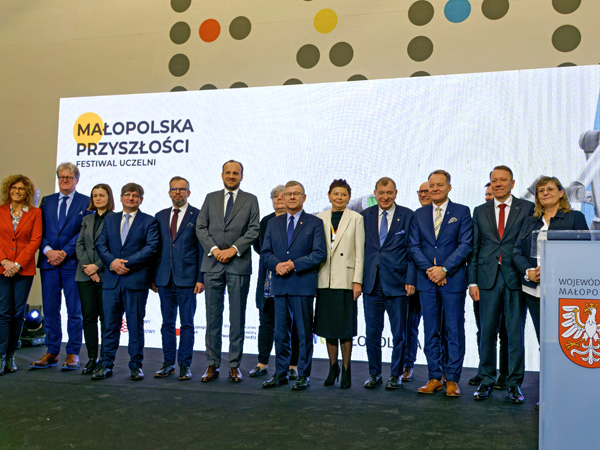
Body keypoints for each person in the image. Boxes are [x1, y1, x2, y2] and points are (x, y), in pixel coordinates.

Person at [513, 176, 588, 406]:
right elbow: (517, 251)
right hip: (534, 292)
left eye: (550, 189)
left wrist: (554, 269)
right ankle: (548, 397)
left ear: (561, 192)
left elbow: (584, 251)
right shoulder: (530, 221)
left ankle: (568, 396)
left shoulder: (575, 218)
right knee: (544, 344)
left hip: (563, 293)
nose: (545, 193)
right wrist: (528, 271)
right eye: (540, 191)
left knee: (564, 344)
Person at [468, 167, 534, 403]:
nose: (498, 184)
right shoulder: (479, 211)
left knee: (515, 334)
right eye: (494, 180)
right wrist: (472, 281)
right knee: (487, 333)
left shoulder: (526, 208)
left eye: (502, 180)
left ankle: (513, 384)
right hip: (486, 280)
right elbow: (475, 248)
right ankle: (486, 381)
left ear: (512, 183)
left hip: (515, 278)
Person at [409, 170, 472, 397]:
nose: (435, 189)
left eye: (439, 185)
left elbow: (465, 244)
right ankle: (434, 376)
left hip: (452, 280)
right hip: (427, 281)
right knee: (431, 330)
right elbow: (413, 246)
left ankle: (452, 379)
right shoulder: (419, 214)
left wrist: (444, 269)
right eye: (431, 185)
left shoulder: (462, 212)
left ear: (449, 187)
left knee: (453, 330)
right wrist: (431, 271)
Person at [196, 160, 260, 383]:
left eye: (236, 173)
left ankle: (234, 366)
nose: (231, 176)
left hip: (238, 264)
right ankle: (212, 364)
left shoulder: (251, 200)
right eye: (228, 173)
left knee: (237, 317)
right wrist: (214, 250)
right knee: (212, 317)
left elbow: (254, 230)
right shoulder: (210, 197)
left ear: (242, 176)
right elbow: (200, 227)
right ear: (222, 175)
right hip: (213, 263)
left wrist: (233, 250)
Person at [261, 181, 326, 390]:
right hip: (280, 285)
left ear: (304, 197)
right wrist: (276, 265)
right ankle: (280, 373)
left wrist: (293, 265)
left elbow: (319, 253)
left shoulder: (315, 223)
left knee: (304, 333)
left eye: (296, 194)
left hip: (302, 285)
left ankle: (303, 375)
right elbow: (265, 254)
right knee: (280, 334)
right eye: (288, 194)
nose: (291, 197)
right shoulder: (273, 223)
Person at [92, 183, 159, 381]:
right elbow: (100, 244)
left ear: (141, 200)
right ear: (121, 198)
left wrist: (126, 263)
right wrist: (112, 262)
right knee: (110, 326)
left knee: (135, 326)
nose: (130, 198)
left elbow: (151, 248)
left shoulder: (149, 221)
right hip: (112, 281)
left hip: (135, 281)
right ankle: (105, 365)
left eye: (135, 196)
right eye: (127, 195)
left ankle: (136, 366)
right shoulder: (110, 219)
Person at [32, 163, 90, 371]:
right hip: (49, 263)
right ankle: (52, 351)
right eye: (61, 177)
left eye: (69, 177)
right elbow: (38, 230)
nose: (64, 180)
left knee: (75, 310)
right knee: (50, 309)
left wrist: (64, 252)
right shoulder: (46, 201)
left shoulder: (86, 201)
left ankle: (73, 353)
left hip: (72, 263)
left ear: (77, 179)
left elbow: (84, 232)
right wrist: (48, 250)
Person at [362, 177, 415, 390]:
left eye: (389, 193)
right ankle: (374, 374)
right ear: (375, 193)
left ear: (396, 193)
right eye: (381, 193)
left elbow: (412, 251)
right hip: (371, 285)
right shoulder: (364, 216)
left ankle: (396, 375)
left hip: (398, 284)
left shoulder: (408, 215)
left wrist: (411, 280)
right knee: (372, 333)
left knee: (399, 334)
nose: (385, 197)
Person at [152, 177, 204, 381]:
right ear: (169, 192)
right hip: (164, 278)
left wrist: (201, 278)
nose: (178, 193)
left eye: (182, 190)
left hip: (188, 279)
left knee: (187, 324)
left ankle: (184, 365)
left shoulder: (198, 215)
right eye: (174, 189)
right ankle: (167, 363)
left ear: (188, 193)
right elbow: (155, 249)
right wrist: (152, 277)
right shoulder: (160, 216)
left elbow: (201, 249)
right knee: (167, 323)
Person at [315, 179, 365, 389]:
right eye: (335, 194)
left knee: (345, 328)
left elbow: (360, 252)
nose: (339, 198)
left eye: (343, 194)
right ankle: (332, 366)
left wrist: (357, 281)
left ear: (349, 197)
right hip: (324, 278)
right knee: (328, 328)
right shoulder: (320, 217)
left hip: (346, 280)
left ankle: (346, 368)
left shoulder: (356, 218)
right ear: (329, 195)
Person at [249, 185, 300, 380]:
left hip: (292, 278)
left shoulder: (298, 221)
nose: (279, 200)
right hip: (269, 279)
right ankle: (262, 363)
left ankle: (292, 366)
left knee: (292, 324)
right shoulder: (266, 221)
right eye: (275, 197)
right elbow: (258, 246)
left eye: (283, 196)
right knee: (266, 322)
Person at [0, 175, 42, 374]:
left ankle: (11, 355)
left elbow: (35, 241)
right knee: (3, 313)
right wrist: (4, 262)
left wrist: (16, 264)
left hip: (23, 270)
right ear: (8, 190)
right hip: (1, 268)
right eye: (14, 188)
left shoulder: (35, 213)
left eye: (21, 189)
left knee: (17, 314)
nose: (17, 191)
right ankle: (0, 355)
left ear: (28, 192)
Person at [75, 184, 115, 375]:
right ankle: (92, 358)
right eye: (95, 195)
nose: (98, 198)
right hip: (84, 274)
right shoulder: (87, 219)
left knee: (106, 318)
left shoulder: (115, 218)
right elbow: (80, 245)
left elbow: (113, 247)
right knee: (88, 317)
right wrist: (89, 269)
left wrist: (97, 266)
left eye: (102, 195)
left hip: (106, 274)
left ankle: (105, 359)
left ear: (109, 197)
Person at [402, 182, 431, 382]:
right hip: (414, 282)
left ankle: (442, 371)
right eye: (420, 191)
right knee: (409, 325)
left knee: (438, 327)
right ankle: (407, 365)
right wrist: (410, 279)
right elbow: (411, 253)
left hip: (437, 280)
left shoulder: (446, 217)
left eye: (427, 191)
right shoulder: (413, 217)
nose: (424, 194)